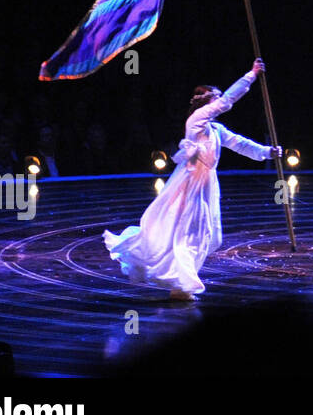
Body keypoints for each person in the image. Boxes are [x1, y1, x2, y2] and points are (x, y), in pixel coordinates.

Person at [104, 59, 280, 301]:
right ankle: (182, 285)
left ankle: (180, 281)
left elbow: (239, 143)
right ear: (206, 102)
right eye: (215, 98)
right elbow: (227, 100)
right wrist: (251, 75)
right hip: (191, 183)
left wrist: (267, 152)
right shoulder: (196, 120)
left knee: (208, 235)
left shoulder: (215, 129)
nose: (219, 102)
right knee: (189, 232)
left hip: (207, 182)